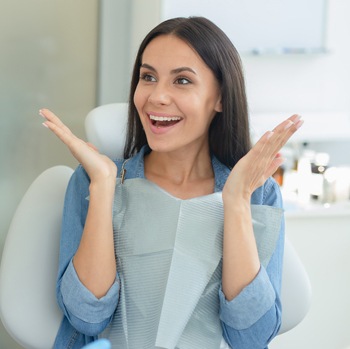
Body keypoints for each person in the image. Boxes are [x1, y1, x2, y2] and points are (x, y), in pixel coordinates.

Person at [40, 16, 303, 349]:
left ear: (220, 97)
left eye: (181, 81)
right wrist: (105, 187)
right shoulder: (93, 181)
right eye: (148, 77)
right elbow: (86, 317)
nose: (157, 97)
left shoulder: (258, 192)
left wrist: (236, 201)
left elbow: (251, 337)